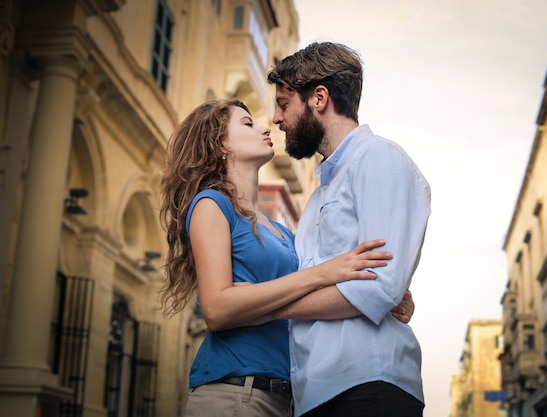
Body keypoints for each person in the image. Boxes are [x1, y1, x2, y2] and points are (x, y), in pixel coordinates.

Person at [159, 99, 414, 417]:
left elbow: (315, 289)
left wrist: (384, 289)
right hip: (234, 394)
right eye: (248, 124)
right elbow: (216, 308)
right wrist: (321, 274)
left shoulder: (280, 231)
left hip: (286, 399)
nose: (266, 127)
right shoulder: (210, 204)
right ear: (220, 144)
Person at [267, 42, 431, 417]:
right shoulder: (317, 196)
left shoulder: (379, 159)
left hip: (367, 386)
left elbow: (379, 287)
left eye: (283, 103)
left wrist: (269, 307)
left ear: (319, 98)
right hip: (320, 392)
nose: (277, 118)